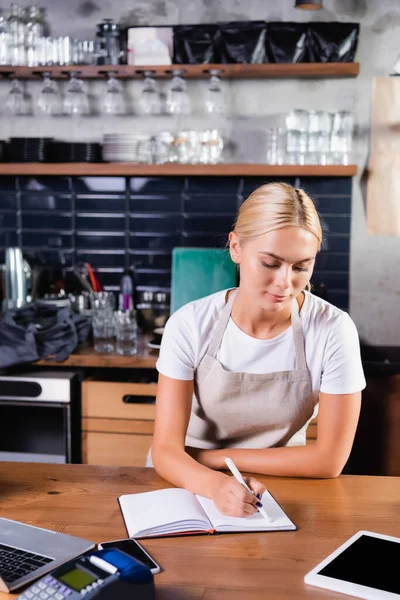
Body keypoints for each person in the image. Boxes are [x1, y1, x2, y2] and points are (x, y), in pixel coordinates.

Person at [151, 182, 366, 518]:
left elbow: (329, 461)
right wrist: (214, 483)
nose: (285, 283)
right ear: (236, 247)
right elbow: (165, 452)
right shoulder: (190, 324)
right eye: (270, 263)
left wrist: (214, 457)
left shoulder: (333, 330)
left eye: (300, 267)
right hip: (189, 483)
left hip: (286, 484)